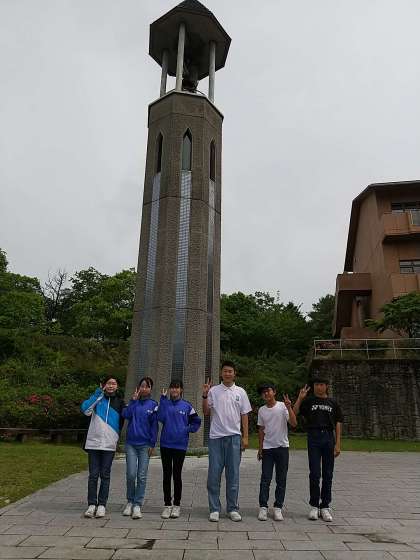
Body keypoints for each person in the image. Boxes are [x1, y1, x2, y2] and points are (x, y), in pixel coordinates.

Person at [202, 360, 252, 522]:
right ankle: (214, 508)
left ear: (234, 373)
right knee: (213, 475)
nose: (228, 373)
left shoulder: (240, 392)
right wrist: (205, 395)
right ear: (221, 373)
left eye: (230, 371)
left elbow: (244, 415)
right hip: (216, 438)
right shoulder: (213, 391)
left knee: (233, 475)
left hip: (234, 438)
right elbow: (206, 412)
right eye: (225, 371)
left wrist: (245, 436)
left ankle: (232, 508)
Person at [293, 376, 343, 522]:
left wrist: (338, 443)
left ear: (326, 386)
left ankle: (325, 506)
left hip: (328, 437)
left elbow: (338, 423)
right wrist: (300, 398)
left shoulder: (333, 402)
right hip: (313, 437)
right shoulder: (309, 401)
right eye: (316, 384)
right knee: (314, 473)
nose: (318, 387)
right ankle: (314, 505)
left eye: (321, 384)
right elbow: (294, 413)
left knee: (328, 473)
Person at [80, 376, 125, 518]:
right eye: (108, 383)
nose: (111, 386)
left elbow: (123, 421)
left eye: (114, 383)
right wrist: (98, 394)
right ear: (103, 385)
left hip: (109, 444)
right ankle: (91, 504)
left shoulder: (120, 402)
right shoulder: (97, 398)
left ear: (117, 386)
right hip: (94, 443)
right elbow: (85, 410)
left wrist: (116, 437)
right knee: (93, 475)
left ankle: (102, 505)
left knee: (105, 475)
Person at [157, 379, 202, 519]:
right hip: (165, 444)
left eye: (177, 388)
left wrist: (186, 429)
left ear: (181, 390)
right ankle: (167, 505)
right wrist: (162, 400)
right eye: (172, 388)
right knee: (166, 475)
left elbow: (197, 421)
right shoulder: (165, 403)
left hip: (180, 445)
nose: (174, 390)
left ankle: (176, 505)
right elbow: (160, 417)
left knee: (177, 475)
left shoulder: (187, 406)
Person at [256, 383, 297, 522]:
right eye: (263, 392)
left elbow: (294, 423)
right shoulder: (262, 410)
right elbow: (261, 430)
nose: (266, 394)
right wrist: (260, 449)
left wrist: (289, 407)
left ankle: (278, 507)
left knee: (281, 479)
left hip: (282, 447)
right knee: (265, 479)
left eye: (268, 391)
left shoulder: (282, 406)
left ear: (274, 392)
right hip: (267, 448)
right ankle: (263, 507)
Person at [121, 376, 158, 519]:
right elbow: (125, 415)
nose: (144, 388)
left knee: (141, 476)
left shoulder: (153, 405)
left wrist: (152, 443)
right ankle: (130, 501)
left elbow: (154, 426)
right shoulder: (133, 402)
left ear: (150, 389)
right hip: (131, 443)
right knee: (131, 474)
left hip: (145, 445)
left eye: (147, 386)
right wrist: (132, 401)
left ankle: (137, 504)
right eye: (142, 386)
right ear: (138, 387)